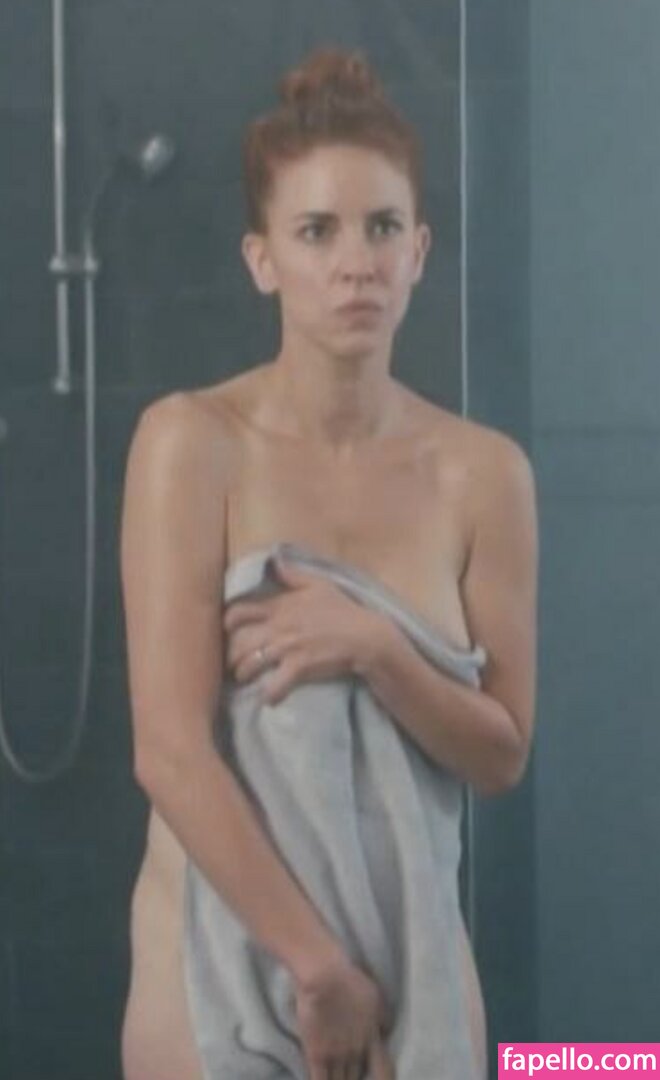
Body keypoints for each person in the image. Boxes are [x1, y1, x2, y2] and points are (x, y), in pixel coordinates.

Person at [119, 45, 537, 1080]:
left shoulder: (482, 473)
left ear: (420, 251)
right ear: (262, 259)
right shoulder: (190, 443)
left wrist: (376, 648)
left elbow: (501, 755)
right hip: (221, 960)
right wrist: (319, 971)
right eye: (317, 231)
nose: (357, 263)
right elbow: (169, 752)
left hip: (414, 964)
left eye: (383, 227)